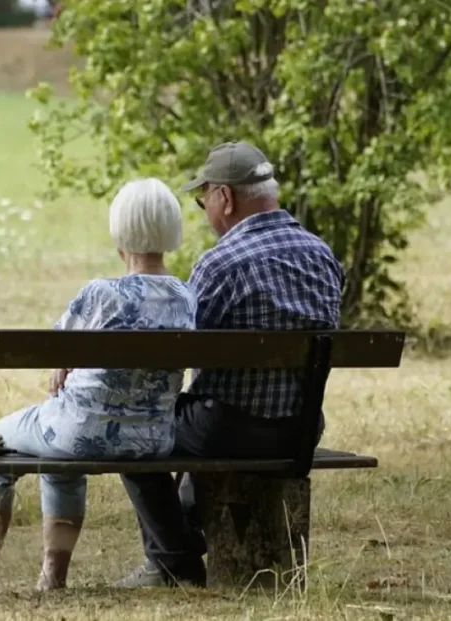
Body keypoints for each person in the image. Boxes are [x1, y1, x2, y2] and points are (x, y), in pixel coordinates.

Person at [113, 141, 346, 588]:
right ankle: (180, 540)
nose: (205, 212)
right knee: (194, 419)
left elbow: (179, 351)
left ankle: (174, 561)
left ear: (225, 197)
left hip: (227, 430)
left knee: (131, 427)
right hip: (300, 430)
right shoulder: (323, 256)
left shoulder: (220, 264)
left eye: (203, 201)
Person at [0, 177, 198, 593]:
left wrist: (65, 363)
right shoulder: (186, 297)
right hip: (152, 440)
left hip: (79, 432)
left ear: (120, 232)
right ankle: (51, 577)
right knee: (58, 451)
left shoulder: (100, 294)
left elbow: (55, 351)